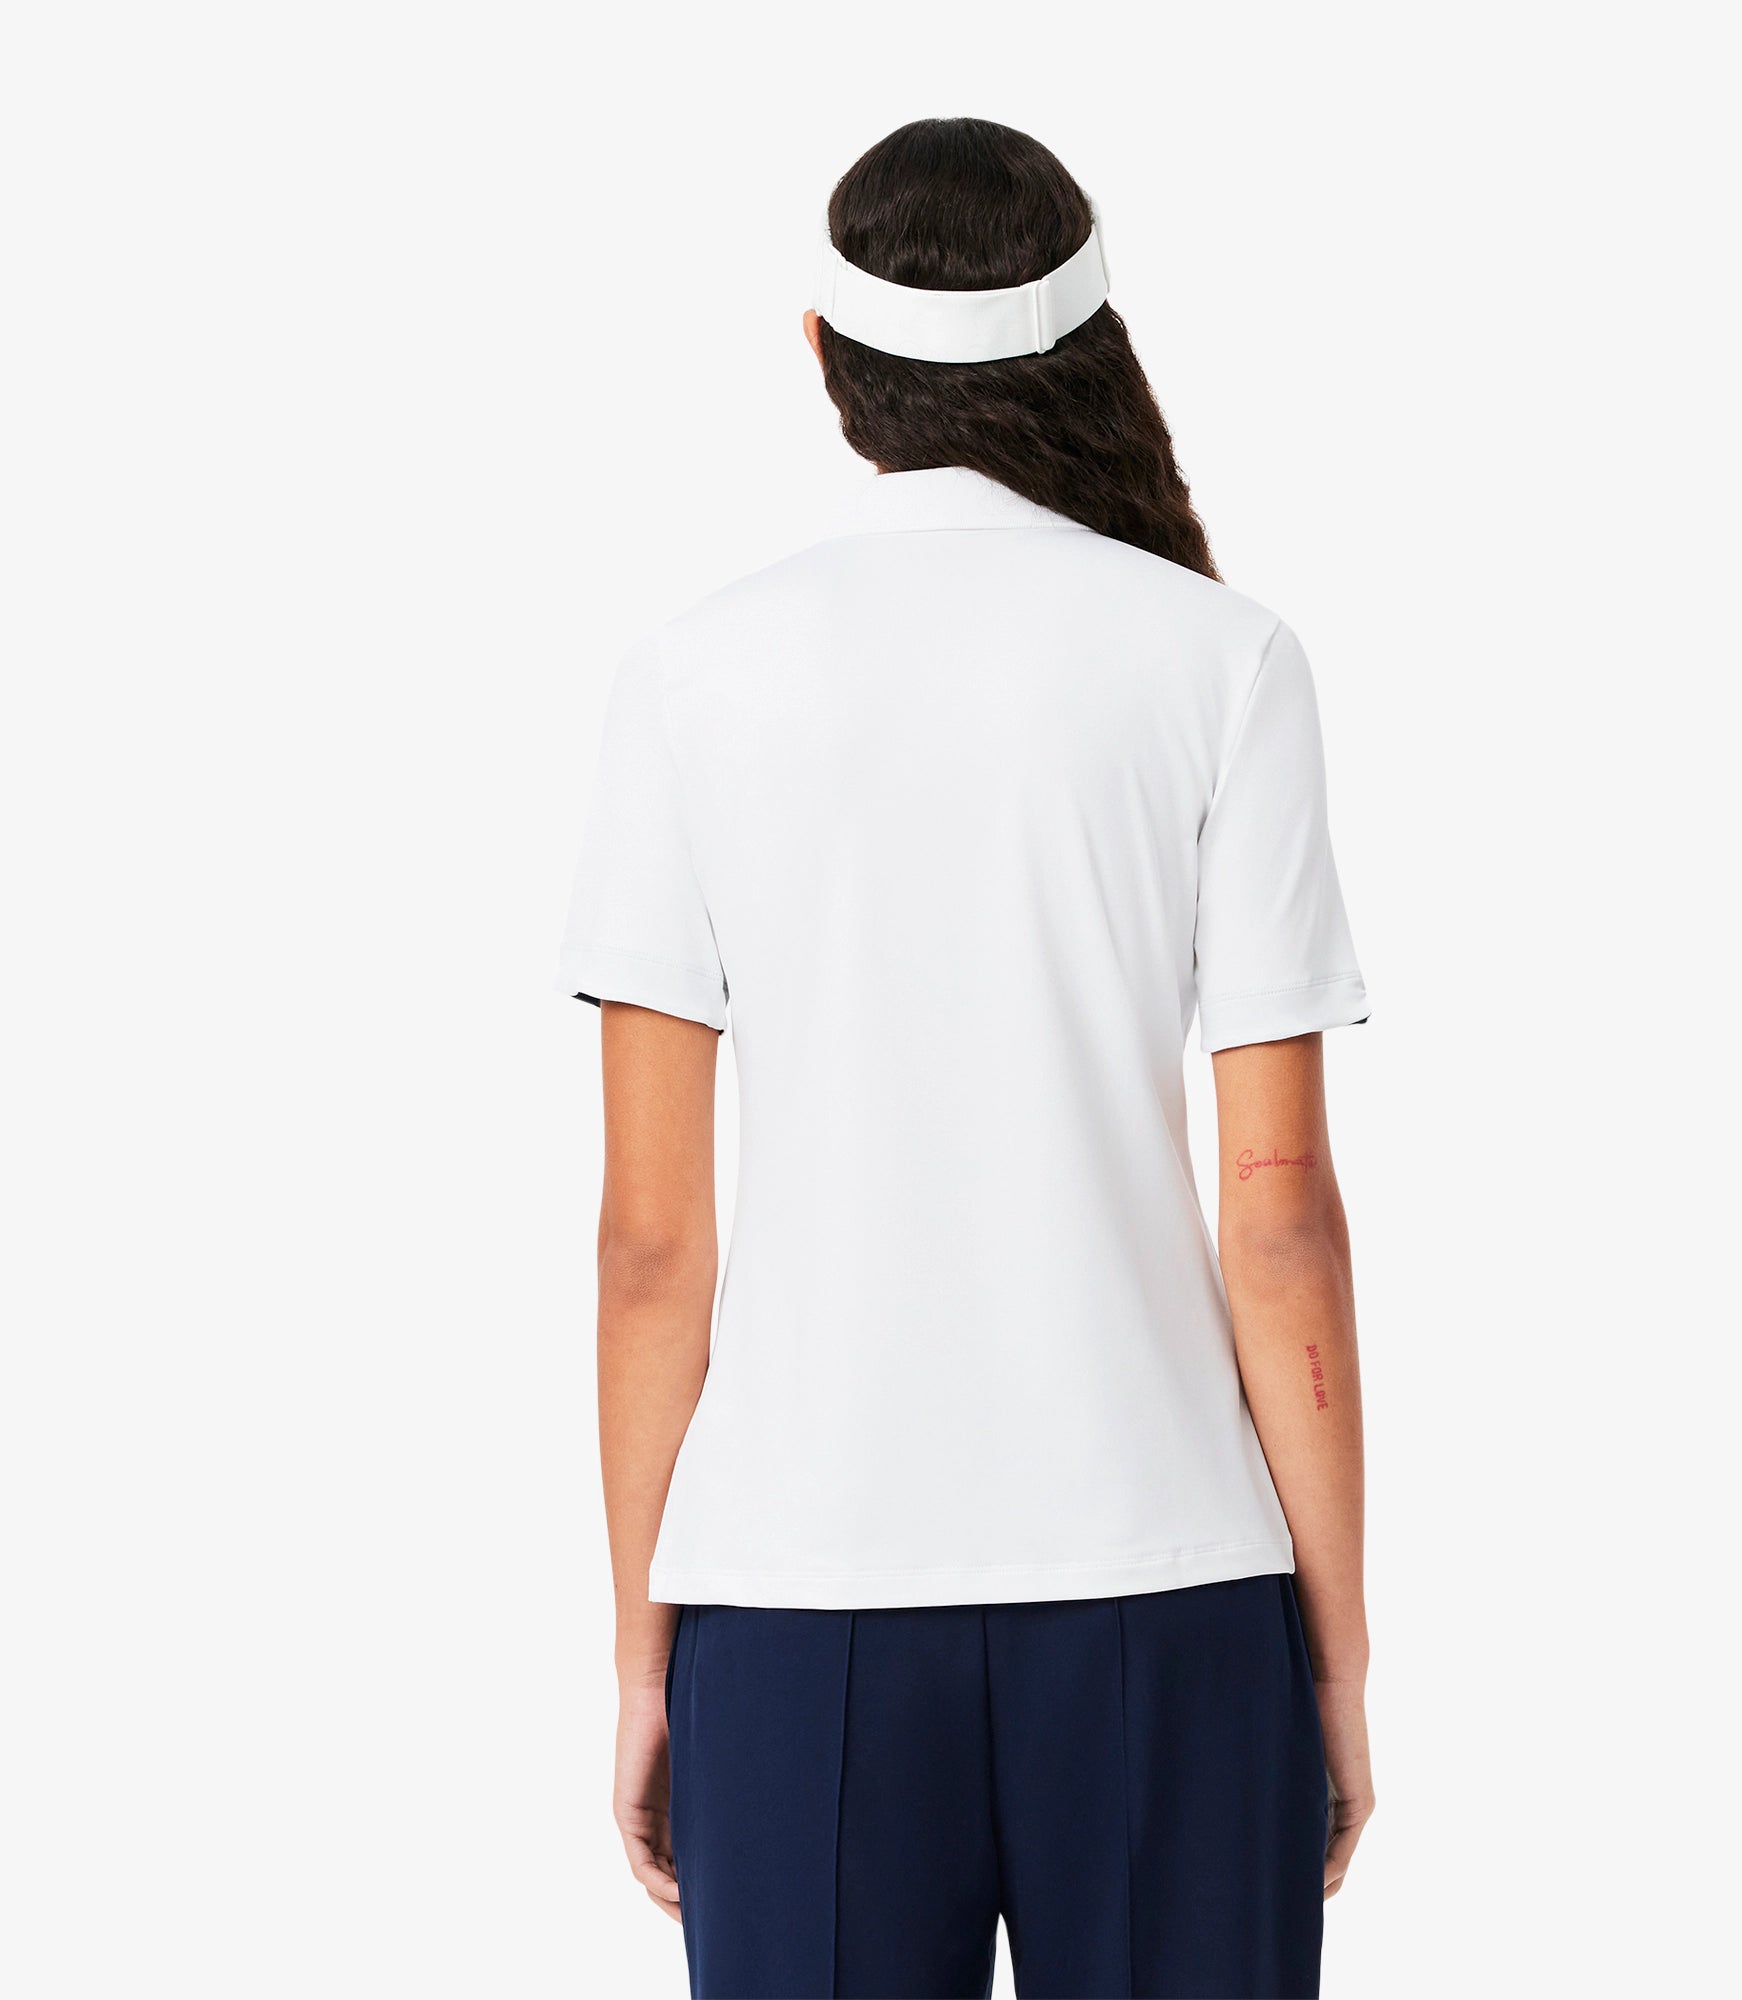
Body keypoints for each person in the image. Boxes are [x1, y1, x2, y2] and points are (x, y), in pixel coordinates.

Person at [563, 116, 1373, 2000]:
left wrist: (641, 1658)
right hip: (1172, 1595)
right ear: (1086, 343)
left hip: (791, 1600)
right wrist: (1335, 1663)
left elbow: (651, 1245)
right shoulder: (1226, 662)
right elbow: (1280, 1219)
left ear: (825, 354)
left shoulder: (691, 679)